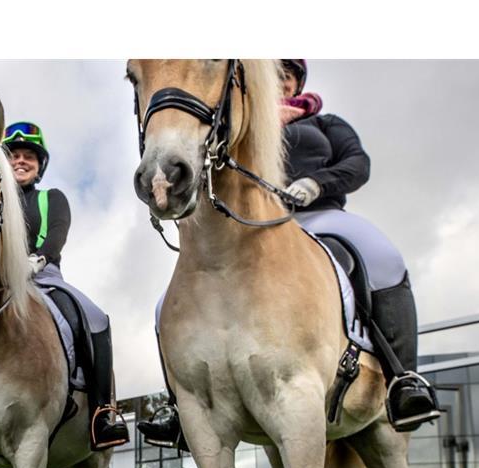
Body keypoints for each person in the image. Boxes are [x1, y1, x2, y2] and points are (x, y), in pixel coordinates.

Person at [139, 59, 441, 446]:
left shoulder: (324, 123)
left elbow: (357, 164)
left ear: (298, 82)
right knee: (167, 303)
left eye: (286, 75)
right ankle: (182, 407)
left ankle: (402, 379)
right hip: (253, 228)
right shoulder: (233, 127)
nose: (280, 82)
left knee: (381, 257)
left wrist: (317, 183)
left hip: (320, 216)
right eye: (272, 76)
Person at [2, 121, 129, 450]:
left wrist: (37, 260)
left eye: (29, 155)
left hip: (42, 277)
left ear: (39, 164)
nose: (20, 160)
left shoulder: (51, 198)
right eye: (13, 155)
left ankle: (101, 413)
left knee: (97, 319)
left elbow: (56, 234)